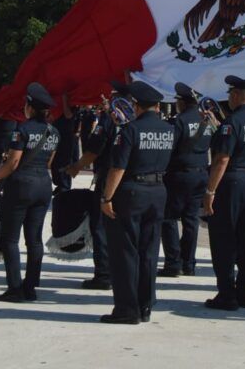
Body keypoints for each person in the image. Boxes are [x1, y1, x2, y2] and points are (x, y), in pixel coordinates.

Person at [100, 80, 175, 324]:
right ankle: (145, 306)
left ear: (136, 105)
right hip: (158, 190)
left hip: (132, 192)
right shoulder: (168, 130)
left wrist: (107, 197)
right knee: (149, 252)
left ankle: (126, 309)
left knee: (125, 252)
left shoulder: (130, 130)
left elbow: (117, 168)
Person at [0, 82, 59, 302]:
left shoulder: (22, 129)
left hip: (21, 186)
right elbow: (49, 162)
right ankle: (31, 287)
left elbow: (13, 163)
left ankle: (15, 288)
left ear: (29, 107)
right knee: (34, 240)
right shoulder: (54, 132)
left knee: (10, 240)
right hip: (43, 185)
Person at [202, 74, 245, 310]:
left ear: (237, 95)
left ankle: (227, 294)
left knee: (224, 238)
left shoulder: (232, 123)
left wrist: (210, 191)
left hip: (231, 181)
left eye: (230, 94)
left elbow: (222, 159)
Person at [65, 88, 128, 291]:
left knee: (101, 227)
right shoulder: (135, 118)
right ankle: (123, 271)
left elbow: (94, 149)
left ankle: (104, 274)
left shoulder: (109, 119)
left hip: (109, 177)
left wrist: (76, 167)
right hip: (130, 181)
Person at [159, 81, 213, 277]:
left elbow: (170, 147)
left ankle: (173, 263)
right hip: (200, 174)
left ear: (181, 102)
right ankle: (188, 263)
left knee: (169, 218)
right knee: (191, 220)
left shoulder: (179, 121)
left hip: (180, 174)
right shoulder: (205, 119)